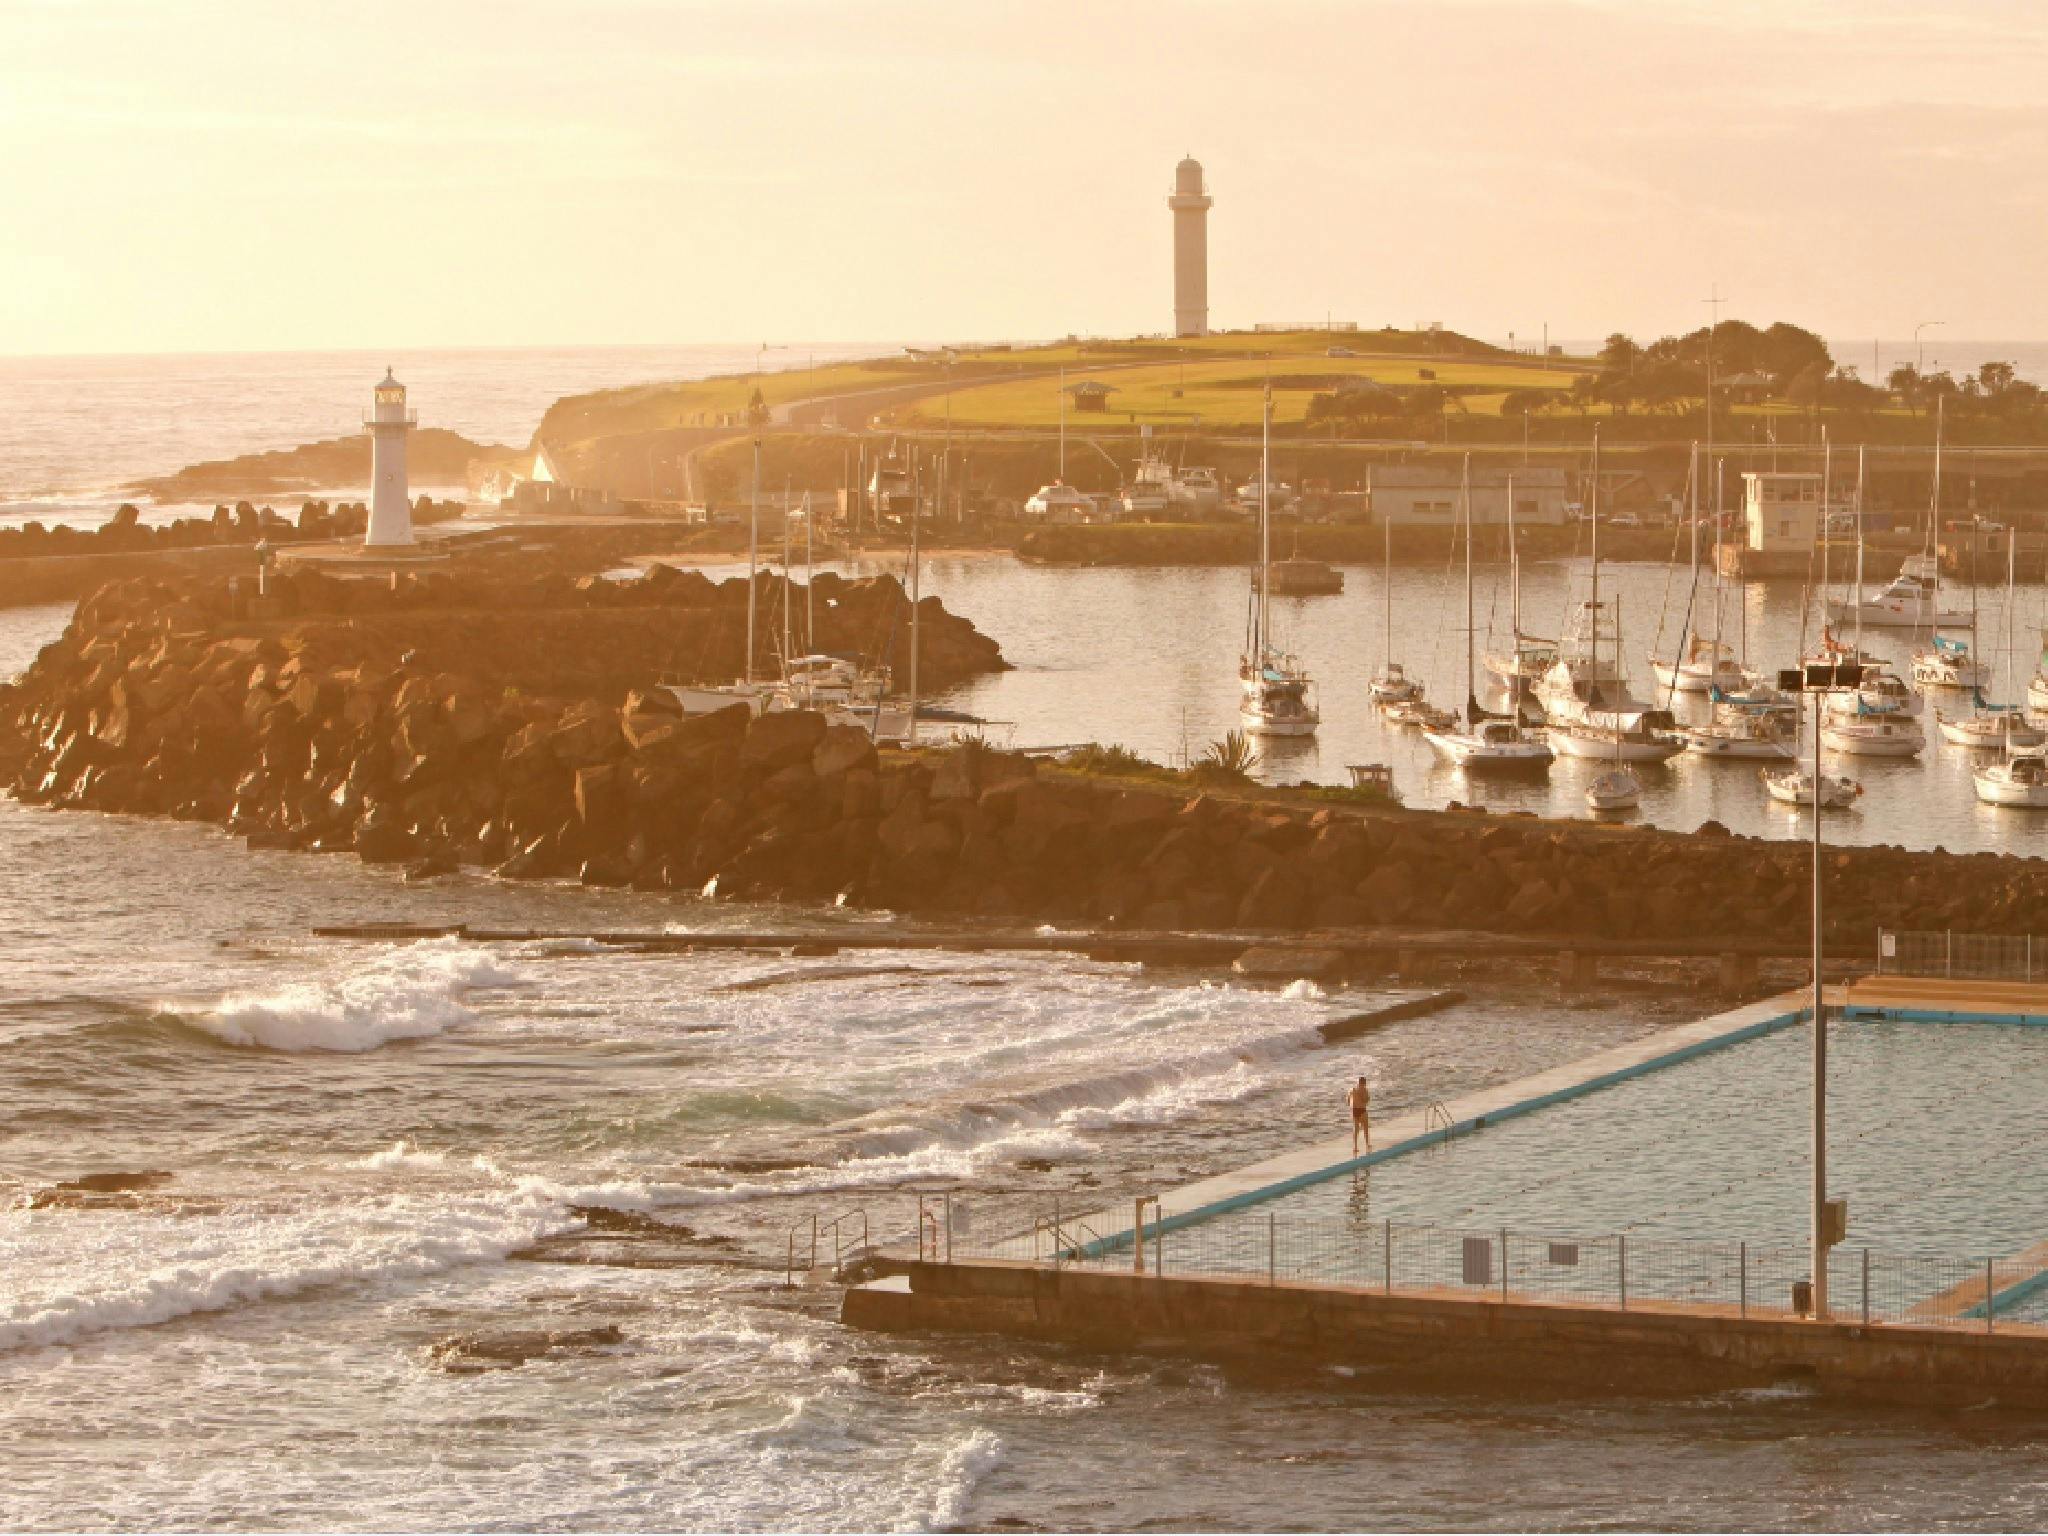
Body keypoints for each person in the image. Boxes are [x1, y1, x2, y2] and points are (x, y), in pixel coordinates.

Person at [1348, 1074, 1372, 1155]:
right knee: (1365, 1127)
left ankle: (1355, 1147)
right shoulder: (1364, 1090)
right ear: (1364, 1083)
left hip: (1354, 1110)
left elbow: (1348, 1100)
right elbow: (1366, 1100)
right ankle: (1367, 1144)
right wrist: (1366, 1098)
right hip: (1361, 1109)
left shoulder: (1352, 1090)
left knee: (1356, 1129)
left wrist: (1352, 1107)